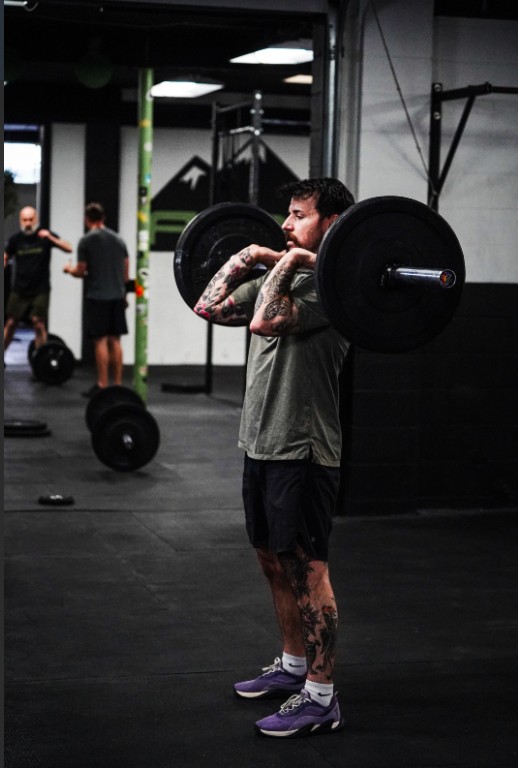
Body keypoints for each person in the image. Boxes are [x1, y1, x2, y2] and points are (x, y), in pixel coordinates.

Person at [194, 177, 355, 738]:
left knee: (307, 571)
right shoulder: (276, 275)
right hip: (259, 440)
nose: (284, 226)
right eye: (284, 216)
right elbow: (208, 305)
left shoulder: (335, 288)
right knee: (270, 557)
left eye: (297, 216)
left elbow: (265, 319)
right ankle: (291, 667)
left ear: (331, 224)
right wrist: (243, 258)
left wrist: (280, 259)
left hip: (303, 447)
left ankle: (321, 694)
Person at [63, 202, 129, 398]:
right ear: (103, 218)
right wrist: (123, 292)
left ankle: (102, 385)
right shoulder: (118, 239)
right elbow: (126, 269)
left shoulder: (86, 241)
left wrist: (69, 270)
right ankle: (117, 385)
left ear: (87, 219)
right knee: (115, 340)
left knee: (100, 341)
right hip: (117, 296)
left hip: (98, 297)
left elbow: (81, 270)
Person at [4, 206, 72, 353]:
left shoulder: (45, 236)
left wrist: (50, 237)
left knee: (38, 322)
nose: (28, 223)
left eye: (31, 219)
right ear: (20, 221)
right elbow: (5, 256)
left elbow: (69, 248)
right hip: (20, 288)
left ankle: (40, 359)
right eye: (24, 220)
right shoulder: (15, 240)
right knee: (10, 323)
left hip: (40, 288)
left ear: (36, 219)